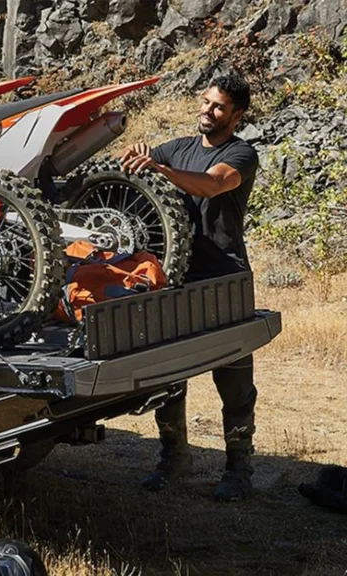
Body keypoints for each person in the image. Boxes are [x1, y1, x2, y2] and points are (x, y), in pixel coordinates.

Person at [116, 74, 260, 503]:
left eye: (217, 107)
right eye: (204, 101)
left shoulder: (241, 153)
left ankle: (239, 469)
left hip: (224, 278)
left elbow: (214, 184)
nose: (207, 110)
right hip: (175, 277)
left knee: (233, 379)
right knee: (168, 375)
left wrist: (160, 168)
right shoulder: (177, 148)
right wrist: (138, 155)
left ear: (236, 115)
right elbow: (141, 169)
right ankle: (174, 457)